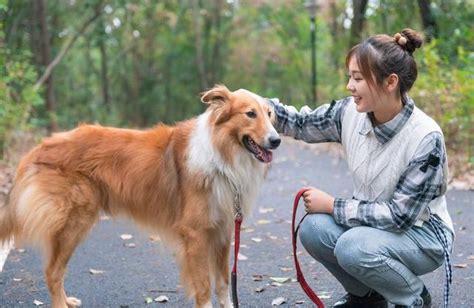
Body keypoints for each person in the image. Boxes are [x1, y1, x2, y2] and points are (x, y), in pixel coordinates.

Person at [267, 28, 454, 308]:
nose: (349, 87)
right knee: (314, 229)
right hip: (371, 228)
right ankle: (368, 297)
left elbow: (399, 217)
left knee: (353, 246)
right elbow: (304, 124)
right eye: (349, 77)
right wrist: (261, 106)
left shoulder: (425, 138)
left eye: (357, 78)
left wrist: (332, 205)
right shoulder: (351, 113)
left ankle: (413, 297)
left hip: (423, 234)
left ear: (390, 82)